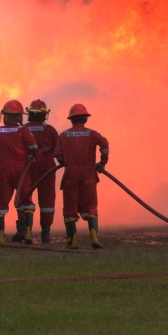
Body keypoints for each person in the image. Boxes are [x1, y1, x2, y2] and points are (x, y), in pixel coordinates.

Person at [55, 103, 110, 249]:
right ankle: (94, 236)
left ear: (71, 119)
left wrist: (63, 160)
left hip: (70, 175)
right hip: (89, 174)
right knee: (90, 206)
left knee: (70, 208)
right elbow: (104, 144)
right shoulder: (92, 134)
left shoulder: (63, 135)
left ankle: (72, 240)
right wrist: (102, 162)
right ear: (85, 119)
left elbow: (58, 154)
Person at [0, 99, 38, 244]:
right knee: (26, 201)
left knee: (1, 202)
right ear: (19, 116)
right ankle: (28, 234)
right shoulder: (23, 130)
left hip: (4, 170)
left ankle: (0, 236)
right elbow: (33, 146)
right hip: (21, 170)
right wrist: (32, 156)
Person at [24, 99, 60, 243]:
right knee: (47, 200)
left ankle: (26, 231)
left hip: (28, 166)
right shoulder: (50, 130)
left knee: (25, 198)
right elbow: (59, 150)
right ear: (45, 114)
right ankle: (46, 233)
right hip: (47, 168)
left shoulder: (23, 129)